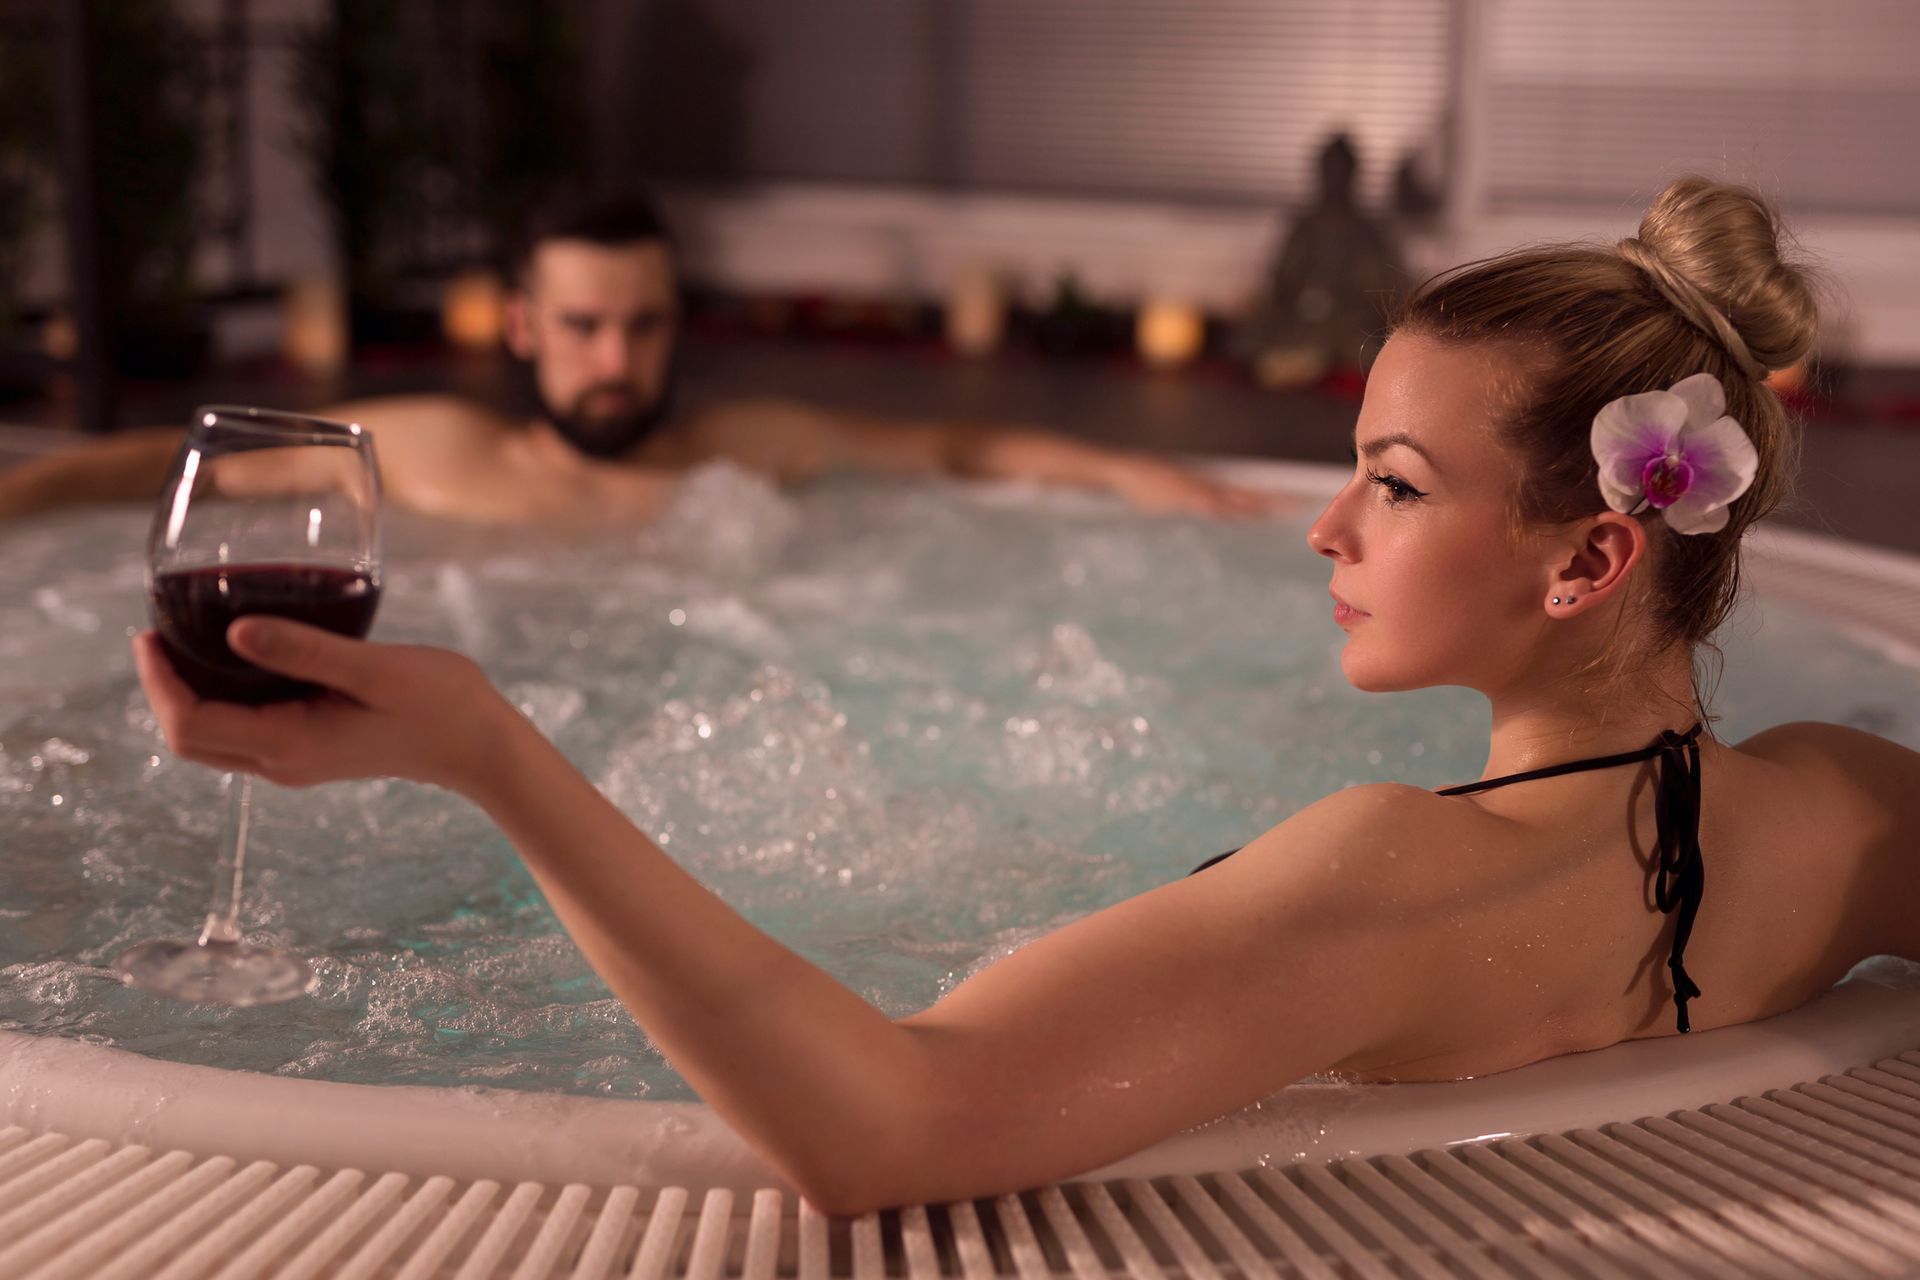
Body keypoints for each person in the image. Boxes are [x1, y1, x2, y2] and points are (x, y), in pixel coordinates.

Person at [132, 177, 1920, 1214]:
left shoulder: (1393, 876)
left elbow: (882, 1128)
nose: (1321, 528)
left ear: (1591, 559)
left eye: (1390, 480)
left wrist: (491, 758)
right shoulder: (1843, 805)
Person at [0, 193, 1269, 527]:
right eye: (584, 326)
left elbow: (957, 447)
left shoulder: (741, 451)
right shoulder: (438, 453)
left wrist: (1133, 480)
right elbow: (196, 469)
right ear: (523, 329)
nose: (616, 357)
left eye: (644, 325)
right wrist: (22, 493)